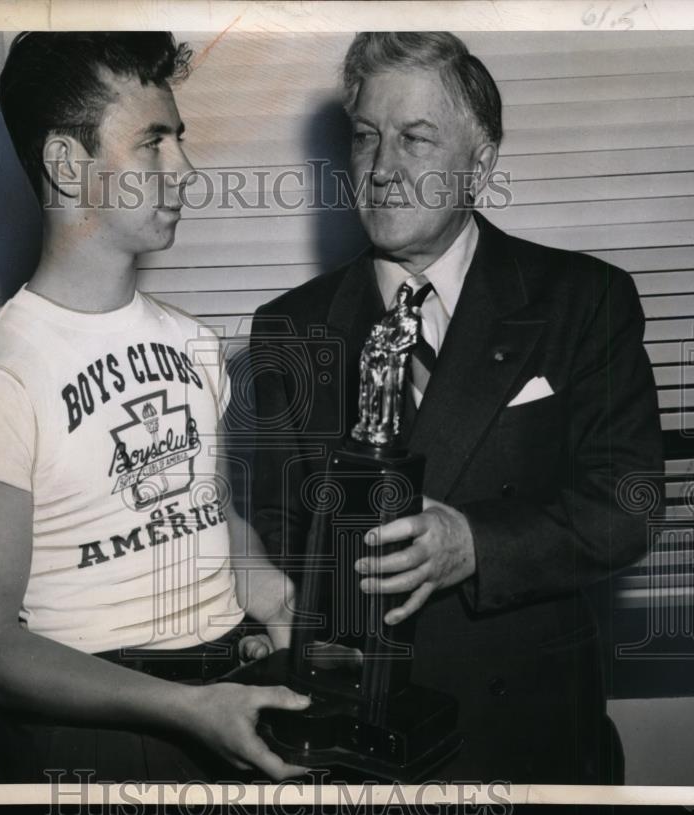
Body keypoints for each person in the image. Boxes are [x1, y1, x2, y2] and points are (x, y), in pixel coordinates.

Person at [249, 32, 664, 784]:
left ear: (480, 162)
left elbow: (629, 507)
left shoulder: (583, 302)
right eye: (367, 136)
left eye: (415, 139)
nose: (382, 169)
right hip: (355, 748)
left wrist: (473, 543)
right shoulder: (287, 327)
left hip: (528, 741)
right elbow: (281, 529)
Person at [0, 31, 310, 784]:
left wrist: (269, 594)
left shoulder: (195, 343)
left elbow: (207, 511)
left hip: (224, 703)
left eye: (179, 141)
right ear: (68, 164)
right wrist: (184, 705)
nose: (185, 171)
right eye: (153, 145)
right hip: (89, 740)